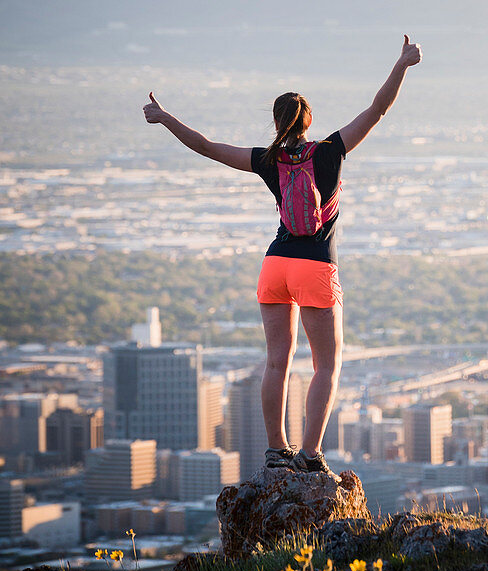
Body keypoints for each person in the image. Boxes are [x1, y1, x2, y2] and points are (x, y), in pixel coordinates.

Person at [143, 34, 422, 477]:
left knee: (277, 361)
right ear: (308, 121)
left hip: (274, 265)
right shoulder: (329, 151)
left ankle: (277, 450)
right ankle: (310, 455)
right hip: (315, 266)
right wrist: (403, 64)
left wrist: (164, 117)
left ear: (275, 122)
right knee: (326, 364)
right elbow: (377, 110)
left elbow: (207, 146)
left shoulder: (267, 160)